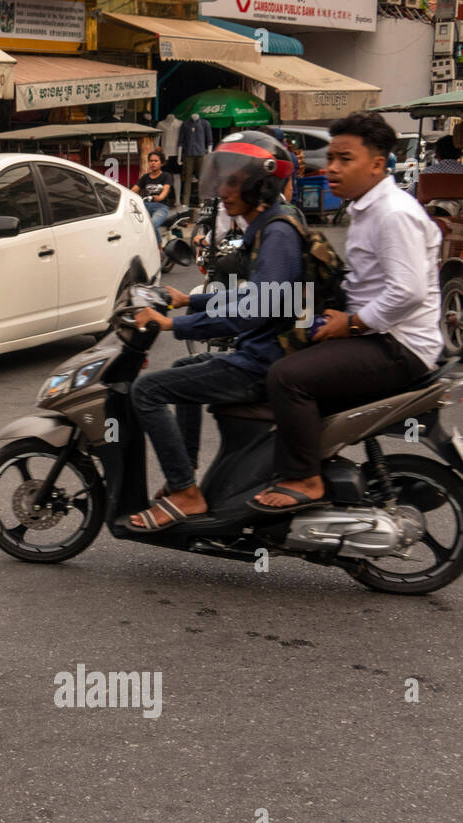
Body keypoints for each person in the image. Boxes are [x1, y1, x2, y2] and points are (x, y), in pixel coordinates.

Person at [253, 112, 443, 514]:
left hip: (399, 345)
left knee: (287, 377)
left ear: (377, 164)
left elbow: (406, 292)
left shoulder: (393, 213)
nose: (331, 167)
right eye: (331, 157)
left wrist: (351, 324)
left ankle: (306, 478)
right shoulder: (366, 207)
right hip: (379, 335)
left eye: (345, 159)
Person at [128, 131, 303, 531]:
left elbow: (252, 311)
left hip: (261, 361)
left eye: (232, 180)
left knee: (147, 390)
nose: (222, 189)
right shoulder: (274, 223)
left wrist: (174, 322)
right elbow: (256, 296)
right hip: (265, 351)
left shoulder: (277, 234)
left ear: (260, 183)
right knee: (192, 365)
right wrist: (192, 301)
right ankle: (185, 472)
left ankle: (186, 492)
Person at [132, 151, 174, 245]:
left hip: (161, 207)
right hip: (144, 206)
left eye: (156, 161)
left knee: (153, 224)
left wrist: (160, 197)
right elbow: (134, 189)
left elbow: (166, 190)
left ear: (161, 163)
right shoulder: (145, 177)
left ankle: (159, 247)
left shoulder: (166, 176)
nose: (153, 163)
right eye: (151, 161)